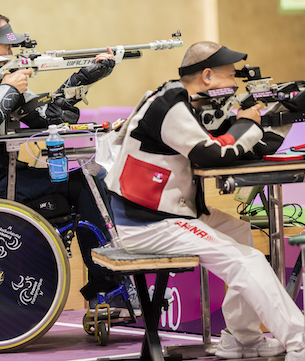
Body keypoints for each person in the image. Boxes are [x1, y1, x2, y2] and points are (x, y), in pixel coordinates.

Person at [104, 41, 304, 360]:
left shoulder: (176, 98)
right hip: (150, 221)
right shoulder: (171, 106)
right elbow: (212, 153)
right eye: (230, 77)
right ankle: (299, 341)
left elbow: (233, 141)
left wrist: (277, 116)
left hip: (162, 212)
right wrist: (249, 121)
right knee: (246, 260)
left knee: (239, 233)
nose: (235, 86)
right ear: (207, 76)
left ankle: (243, 339)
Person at [0, 9, 126, 304]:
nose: (13, 53)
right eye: (8, 46)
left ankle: (106, 285)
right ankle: (109, 292)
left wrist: (84, 78)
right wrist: (8, 87)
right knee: (84, 183)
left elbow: (49, 117)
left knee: (90, 177)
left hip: (8, 179)